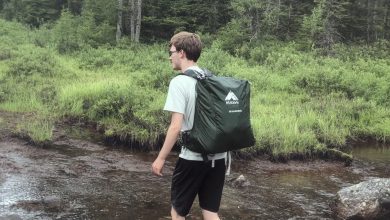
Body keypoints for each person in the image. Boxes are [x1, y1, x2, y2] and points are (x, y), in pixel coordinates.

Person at [151, 31, 227, 220]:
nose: (170, 56)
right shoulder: (211, 79)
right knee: (210, 212)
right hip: (219, 157)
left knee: (177, 212)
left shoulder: (179, 82)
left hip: (192, 157)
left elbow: (175, 127)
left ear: (182, 53)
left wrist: (160, 159)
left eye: (172, 51)